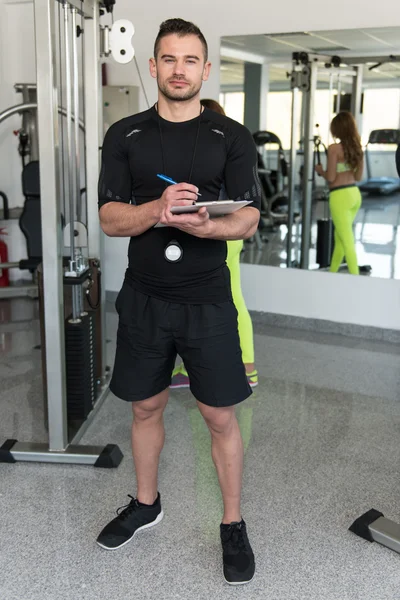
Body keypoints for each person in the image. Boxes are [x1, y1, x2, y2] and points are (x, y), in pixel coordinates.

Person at [96, 18, 261, 586]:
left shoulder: (231, 137)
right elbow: (111, 218)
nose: (179, 70)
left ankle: (232, 523)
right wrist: (158, 212)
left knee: (219, 416)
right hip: (144, 297)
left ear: (205, 69)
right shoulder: (125, 135)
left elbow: (247, 218)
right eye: (168, 59)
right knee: (145, 407)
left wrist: (201, 227)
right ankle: (146, 503)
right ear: (153, 66)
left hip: (207, 300)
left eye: (190, 60)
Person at [170, 98, 258, 390]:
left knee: (223, 299)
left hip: (219, 233)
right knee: (226, 298)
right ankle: (205, 367)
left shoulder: (213, 153)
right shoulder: (222, 151)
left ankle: (245, 369)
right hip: (225, 233)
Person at [315, 111, 363, 275]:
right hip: (354, 195)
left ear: (337, 129)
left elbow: (331, 177)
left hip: (339, 197)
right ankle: (333, 273)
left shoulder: (334, 148)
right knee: (341, 239)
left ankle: (356, 278)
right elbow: (358, 176)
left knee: (347, 241)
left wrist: (321, 171)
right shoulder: (357, 148)